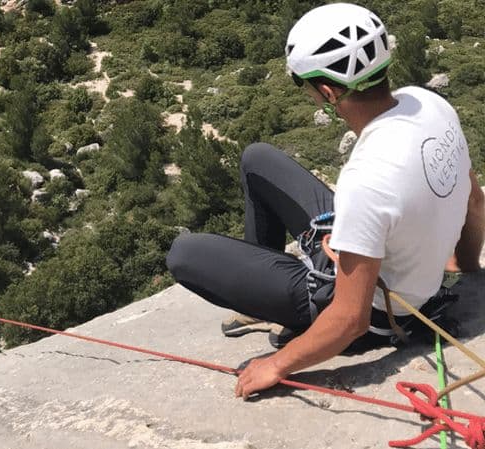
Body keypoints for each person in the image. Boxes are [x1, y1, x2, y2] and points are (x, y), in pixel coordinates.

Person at [165, 2, 484, 400]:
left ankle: (277, 302)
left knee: (184, 253)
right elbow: (474, 203)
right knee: (257, 159)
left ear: (329, 92)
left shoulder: (366, 179)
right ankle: (264, 297)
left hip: (378, 316)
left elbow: (351, 319)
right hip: (400, 271)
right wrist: (467, 266)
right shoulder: (430, 105)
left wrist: (276, 366)